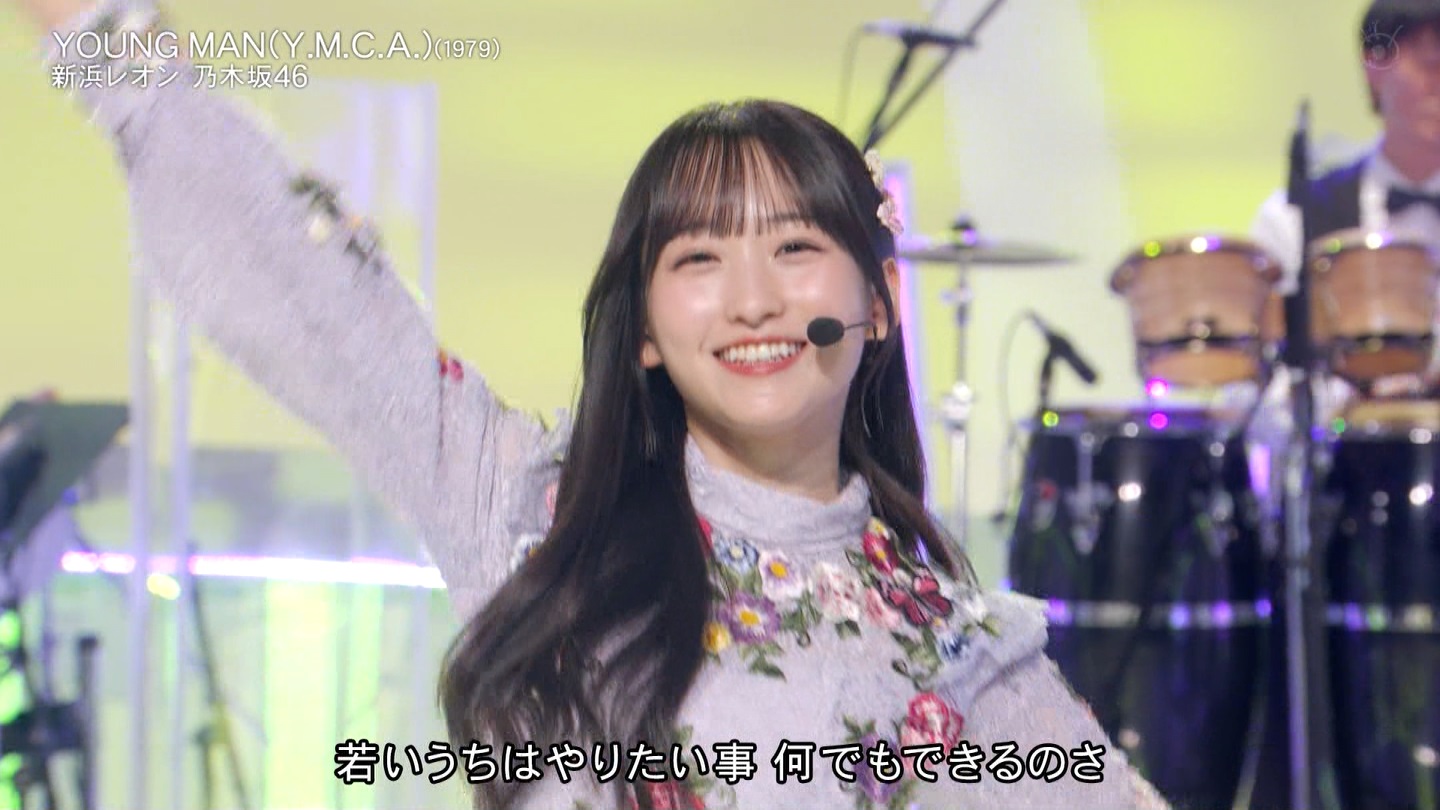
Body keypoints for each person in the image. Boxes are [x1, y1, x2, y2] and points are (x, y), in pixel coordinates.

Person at [14, 0, 1171, 806]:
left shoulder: (963, 650)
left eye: (796, 247)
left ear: (877, 303)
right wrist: (113, 50)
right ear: (649, 333)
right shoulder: (539, 514)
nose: (754, 300)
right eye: (700, 259)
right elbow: (318, 295)